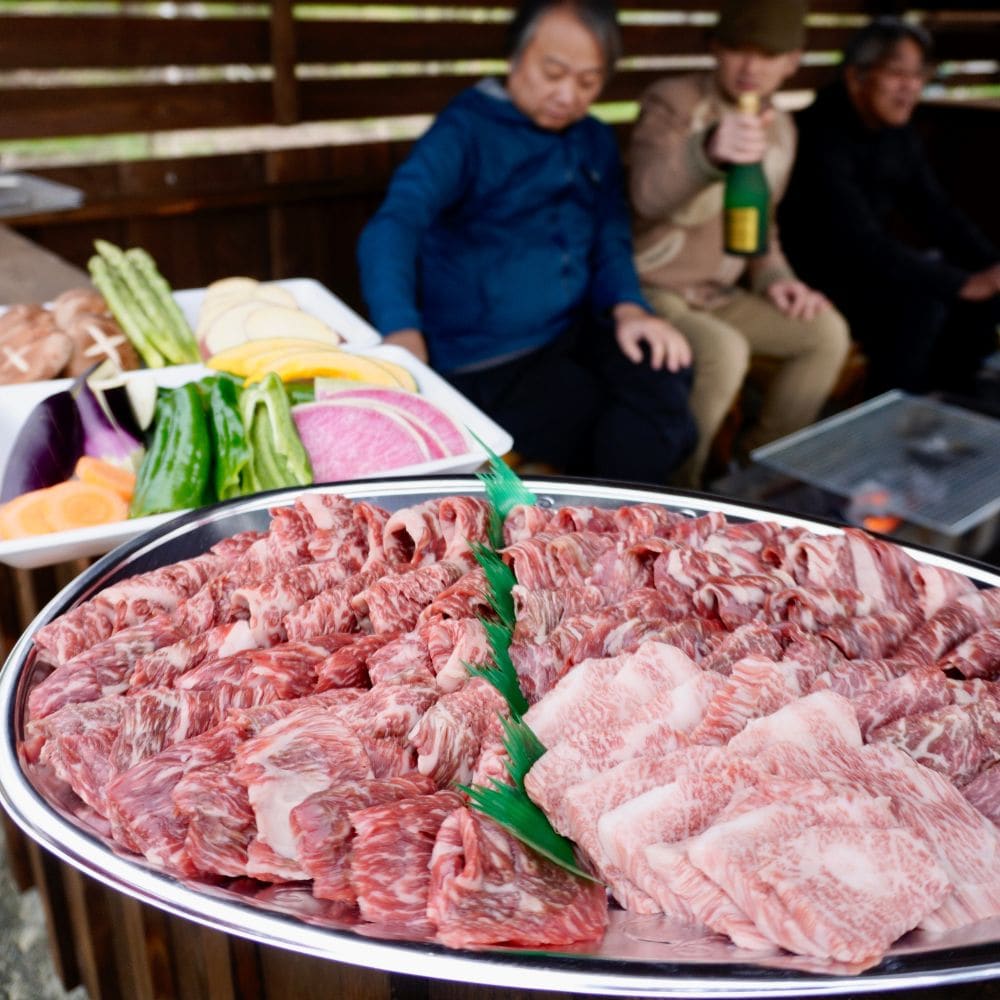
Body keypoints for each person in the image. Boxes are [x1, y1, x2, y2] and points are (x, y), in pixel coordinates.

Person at [357, 0, 697, 484]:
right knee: (619, 425)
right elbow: (392, 226)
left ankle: (641, 516)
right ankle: (620, 533)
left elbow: (610, 235)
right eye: (553, 72)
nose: (567, 95)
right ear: (515, 59)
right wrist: (400, 329)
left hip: (573, 328)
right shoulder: (465, 131)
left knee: (668, 373)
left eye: (587, 82)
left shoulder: (593, 138)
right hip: (487, 356)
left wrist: (629, 307)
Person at [627, 0, 851, 488]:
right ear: (714, 48)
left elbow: (761, 228)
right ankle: (675, 497)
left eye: (768, 54)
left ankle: (754, 481)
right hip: (650, 291)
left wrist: (779, 280)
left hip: (718, 296)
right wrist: (707, 151)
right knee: (723, 352)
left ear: (792, 60)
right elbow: (644, 195)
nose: (751, 67)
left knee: (824, 333)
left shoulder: (783, 128)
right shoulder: (674, 102)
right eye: (737, 50)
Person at [779, 17, 1000, 399]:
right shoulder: (820, 134)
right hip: (811, 277)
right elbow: (857, 242)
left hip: (869, 261)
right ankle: (892, 418)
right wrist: (962, 283)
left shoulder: (896, 131)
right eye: (897, 73)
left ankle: (956, 400)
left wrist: (990, 268)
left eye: (919, 75)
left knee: (976, 285)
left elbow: (935, 211)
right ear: (856, 77)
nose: (910, 88)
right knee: (923, 301)